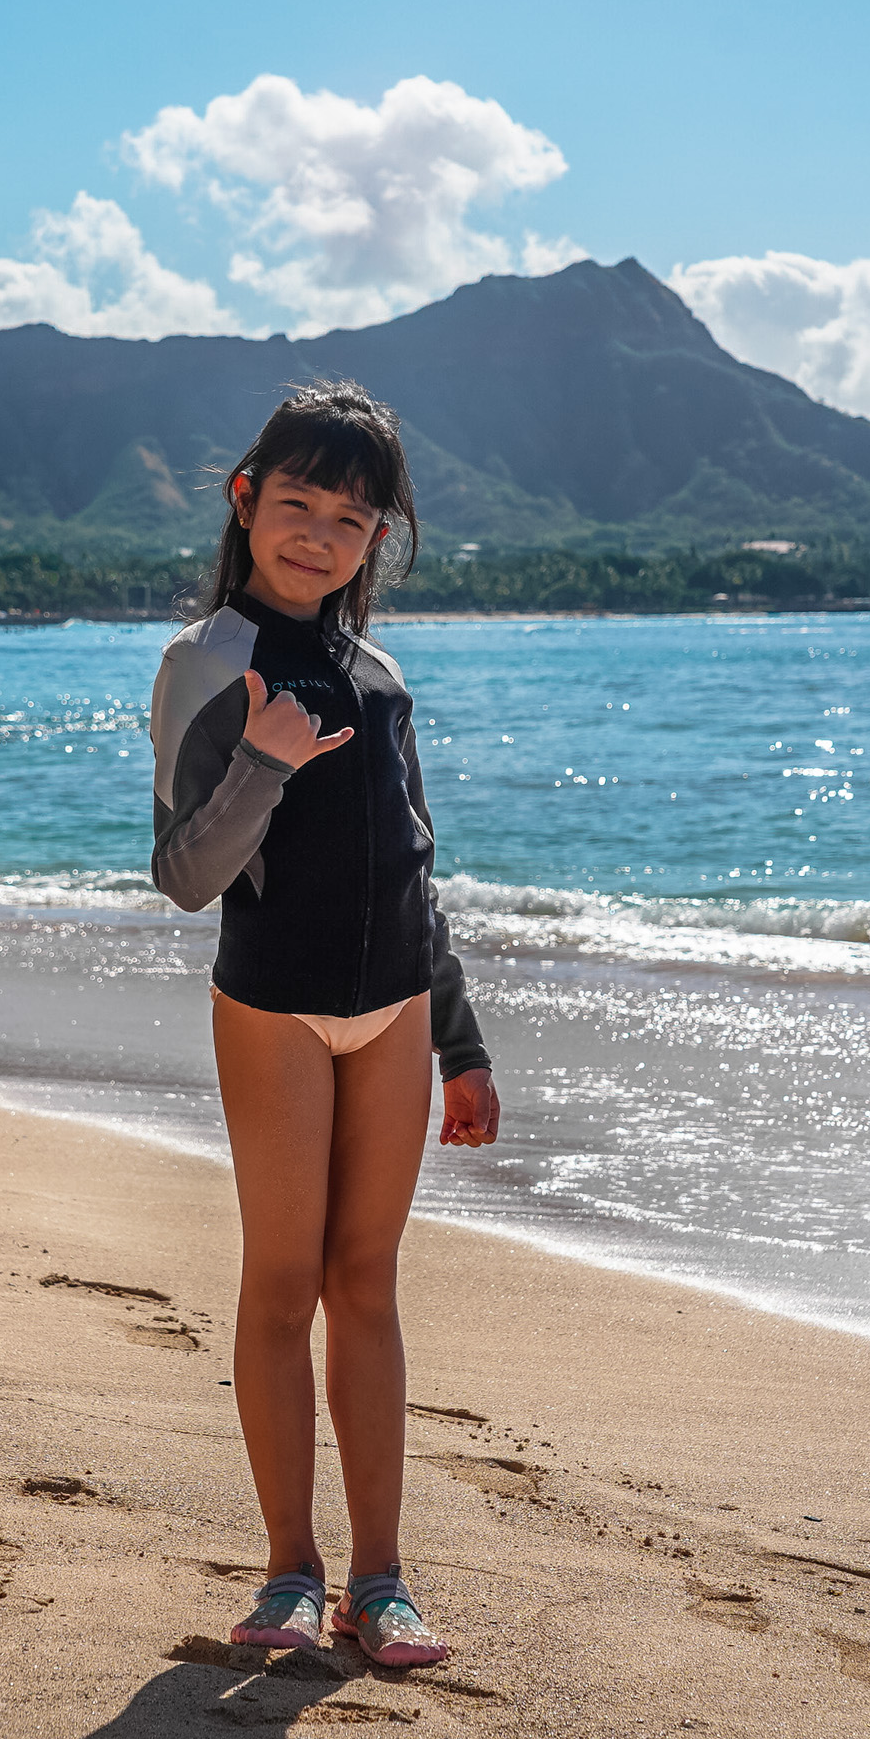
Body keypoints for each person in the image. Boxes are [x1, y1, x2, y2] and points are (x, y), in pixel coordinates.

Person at [149, 380, 500, 1668]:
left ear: (377, 542)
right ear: (247, 502)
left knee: (369, 1285)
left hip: (399, 1010)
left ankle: (382, 1579)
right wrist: (265, 762)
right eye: (296, 503)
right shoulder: (207, 664)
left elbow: (414, 865)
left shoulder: (383, 675)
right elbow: (186, 872)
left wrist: (460, 1040)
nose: (318, 535)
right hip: (276, 1012)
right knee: (282, 1283)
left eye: (350, 519)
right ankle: (291, 1571)